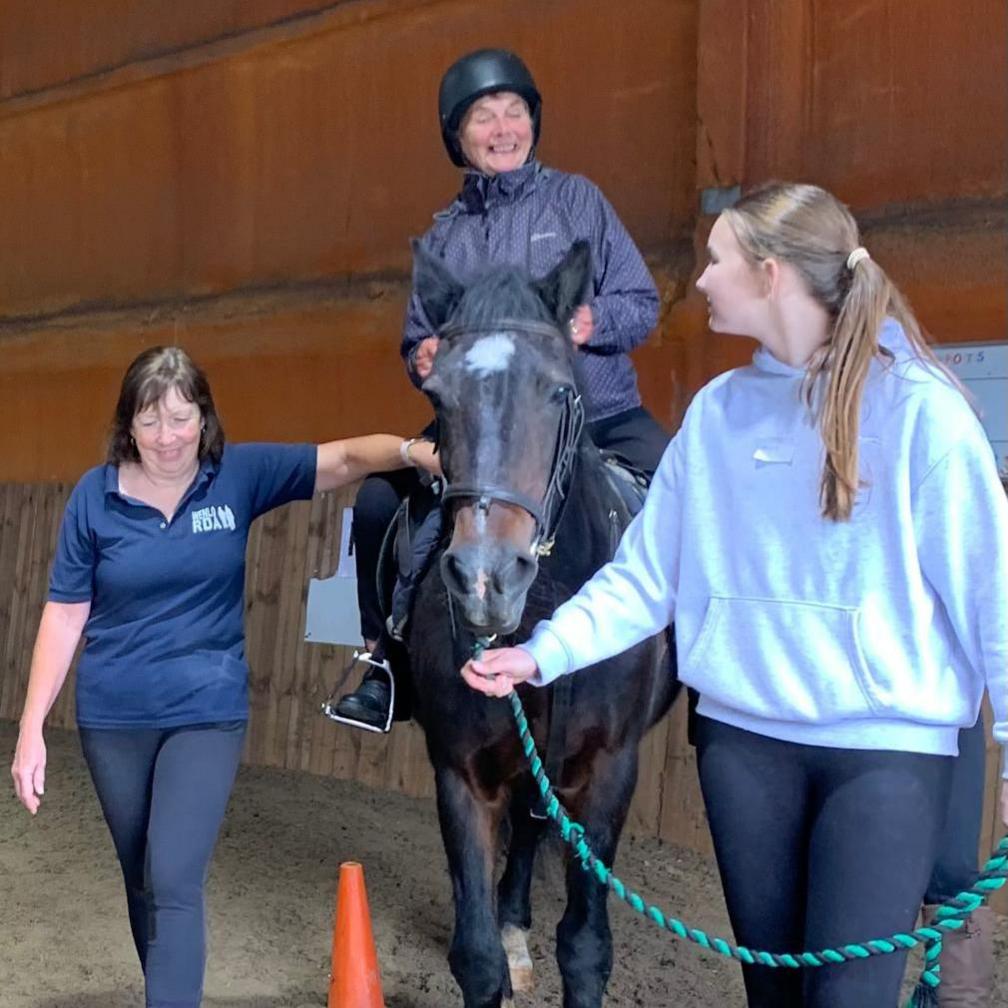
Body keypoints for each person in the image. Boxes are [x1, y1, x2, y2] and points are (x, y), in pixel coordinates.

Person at [461, 182, 1008, 1007]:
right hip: (744, 747)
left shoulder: (922, 413)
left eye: (716, 261)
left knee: (849, 998)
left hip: (885, 756)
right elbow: (648, 578)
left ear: (771, 273)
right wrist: (543, 653)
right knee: (774, 997)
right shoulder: (716, 416)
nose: (703, 278)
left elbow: (990, 592)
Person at [9, 346, 437, 1008]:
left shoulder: (236, 475)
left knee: (174, 874)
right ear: (127, 425)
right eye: (151, 422)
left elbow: (344, 459)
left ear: (204, 418)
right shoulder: (92, 500)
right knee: (142, 880)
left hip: (206, 709)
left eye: (182, 418)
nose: (168, 437)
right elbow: (65, 615)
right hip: (113, 717)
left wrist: (414, 452)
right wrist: (32, 727)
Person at [335, 47, 670, 731]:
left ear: (532, 121)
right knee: (375, 504)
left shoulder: (579, 202)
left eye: (513, 112)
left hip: (597, 414)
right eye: (483, 118)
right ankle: (384, 662)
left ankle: (697, 670)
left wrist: (592, 319)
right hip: (482, 437)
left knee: (682, 494)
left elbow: (641, 300)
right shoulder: (446, 238)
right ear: (457, 138)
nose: (502, 128)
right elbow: (417, 340)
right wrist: (421, 357)